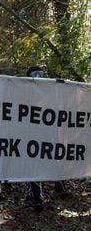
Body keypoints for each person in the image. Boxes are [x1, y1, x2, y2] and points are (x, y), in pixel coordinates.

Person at [25, 66, 68, 212]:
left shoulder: (52, 92)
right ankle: (37, 197)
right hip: (31, 134)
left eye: (40, 74)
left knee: (54, 159)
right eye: (34, 75)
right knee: (33, 164)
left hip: (49, 133)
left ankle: (59, 186)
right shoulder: (25, 92)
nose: (38, 77)